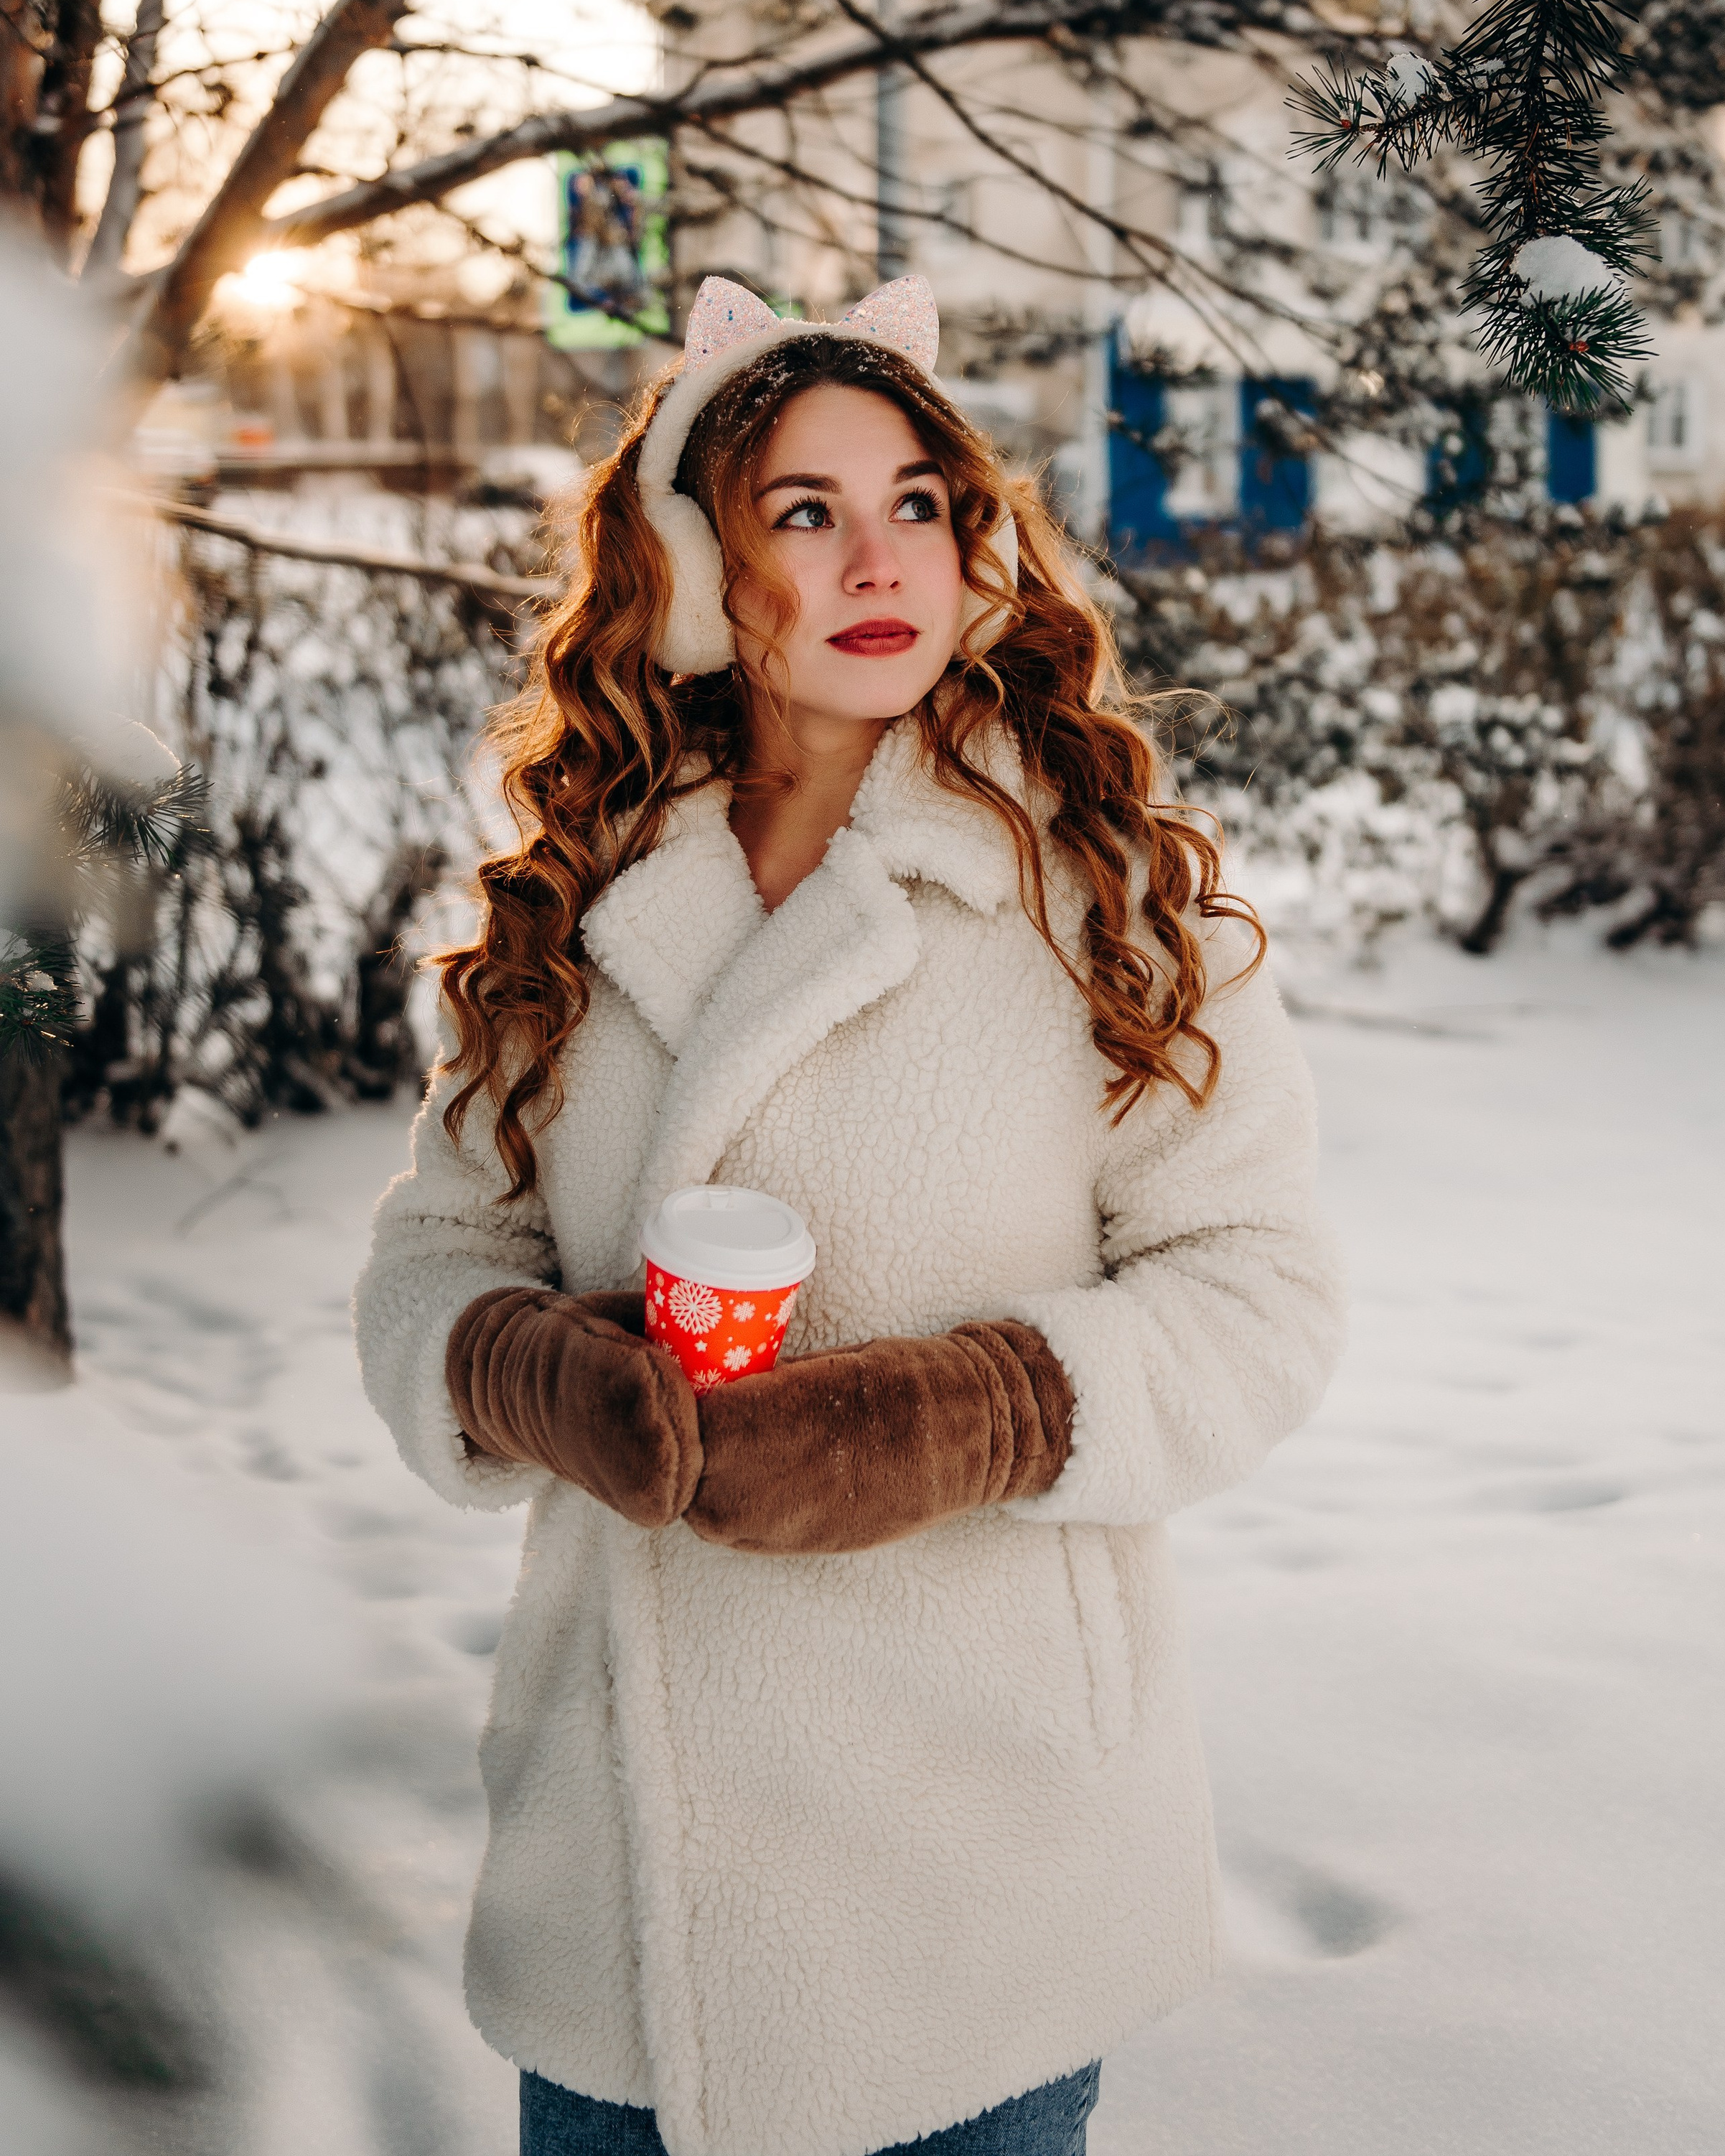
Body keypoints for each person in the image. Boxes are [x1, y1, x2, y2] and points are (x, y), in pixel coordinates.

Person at [355, 273, 1345, 2156]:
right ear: (692, 565)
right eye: (804, 509)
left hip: (976, 1864)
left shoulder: (1113, 896)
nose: (880, 551)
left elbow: (1261, 1295)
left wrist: (958, 1418)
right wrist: (515, 1368)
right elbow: (435, 1249)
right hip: (622, 1876)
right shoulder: (575, 901)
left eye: (918, 497)